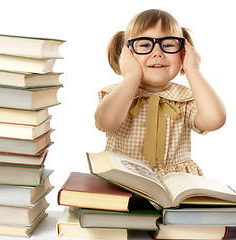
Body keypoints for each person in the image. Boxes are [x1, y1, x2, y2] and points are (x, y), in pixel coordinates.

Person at [95, 9, 226, 178]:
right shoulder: (117, 94)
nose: (157, 52)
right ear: (126, 53)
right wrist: (131, 77)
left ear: (183, 52)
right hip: (125, 178)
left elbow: (214, 120)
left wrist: (193, 71)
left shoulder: (185, 98)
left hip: (175, 183)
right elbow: (106, 122)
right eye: (144, 45)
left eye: (168, 45)